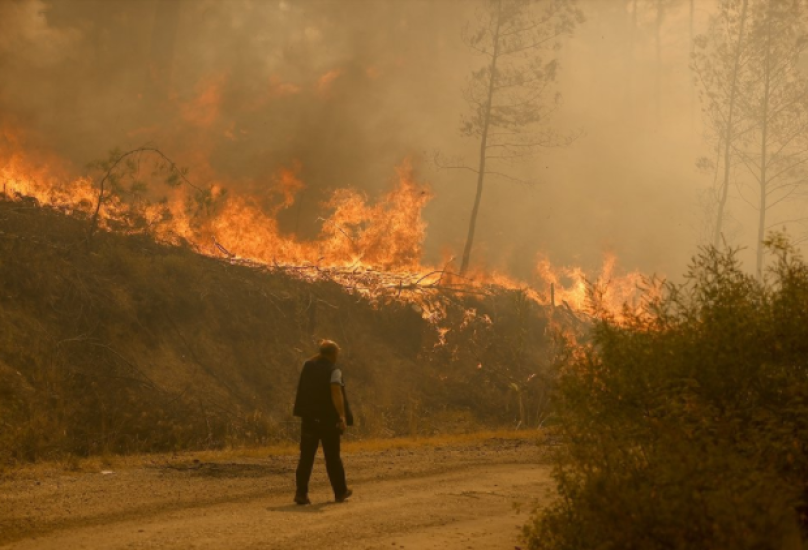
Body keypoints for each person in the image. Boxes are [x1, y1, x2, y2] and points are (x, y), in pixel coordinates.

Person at [292, 339, 353, 505]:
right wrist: (341, 416)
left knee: (306, 458)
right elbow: (336, 392)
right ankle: (340, 492)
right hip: (327, 421)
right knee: (332, 457)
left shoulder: (308, 366)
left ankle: (301, 494)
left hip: (309, 419)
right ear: (333, 354)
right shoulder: (334, 371)